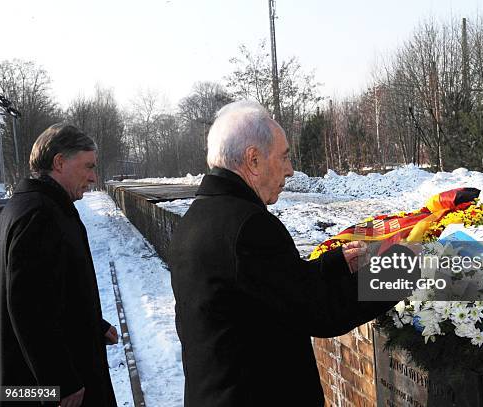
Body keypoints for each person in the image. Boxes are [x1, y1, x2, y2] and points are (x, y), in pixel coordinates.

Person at [169, 100, 396, 406]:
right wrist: (400, 271)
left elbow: (268, 287)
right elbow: (320, 310)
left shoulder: (198, 218)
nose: (290, 171)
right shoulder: (248, 225)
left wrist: (335, 264)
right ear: (253, 160)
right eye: (285, 157)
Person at [0, 124, 118, 407]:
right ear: (59, 162)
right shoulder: (41, 215)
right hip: (48, 390)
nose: (93, 177)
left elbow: (51, 291)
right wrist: (60, 380)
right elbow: (28, 308)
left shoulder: (32, 206)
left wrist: (93, 325)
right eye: (88, 166)